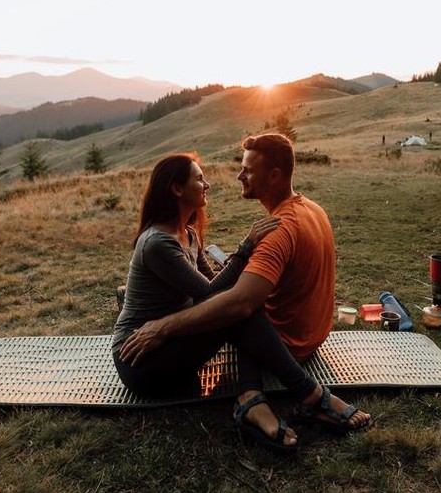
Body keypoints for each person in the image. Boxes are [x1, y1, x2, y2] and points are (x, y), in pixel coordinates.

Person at [113, 152, 370, 452]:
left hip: (169, 343)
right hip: (141, 363)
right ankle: (309, 395)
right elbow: (210, 292)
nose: (206, 184)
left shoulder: (189, 234)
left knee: (242, 303)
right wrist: (246, 248)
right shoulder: (158, 243)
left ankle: (253, 399)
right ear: (176, 188)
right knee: (239, 308)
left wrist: (245, 272)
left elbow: (213, 286)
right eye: (199, 178)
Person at [119, 133, 336, 363]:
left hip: (288, 344)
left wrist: (163, 327)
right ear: (177, 190)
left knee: (238, 310)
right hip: (312, 338)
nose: (239, 176)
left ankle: (260, 390)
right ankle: (281, 390)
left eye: (248, 171)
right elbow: (212, 290)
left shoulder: (278, 230)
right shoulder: (313, 209)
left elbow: (234, 304)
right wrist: (242, 257)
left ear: (274, 176)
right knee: (238, 303)